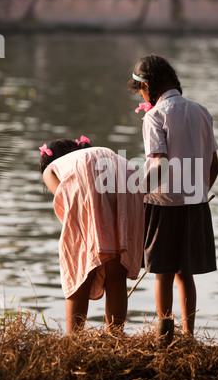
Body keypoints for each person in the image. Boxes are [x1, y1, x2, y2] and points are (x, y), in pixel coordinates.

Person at [128, 54, 218, 336]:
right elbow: (213, 165)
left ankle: (164, 334)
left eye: (141, 90)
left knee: (163, 273)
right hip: (195, 204)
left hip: (163, 205)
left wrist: (136, 194)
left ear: (147, 86)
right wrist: (199, 192)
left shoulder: (155, 116)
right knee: (185, 272)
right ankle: (189, 335)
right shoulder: (201, 110)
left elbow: (160, 164)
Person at [39, 136, 144, 334]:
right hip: (127, 174)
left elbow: (66, 201)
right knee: (116, 274)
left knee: (81, 270)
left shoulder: (51, 168)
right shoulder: (98, 151)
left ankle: (74, 341)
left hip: (86, 178)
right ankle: (115, 337)